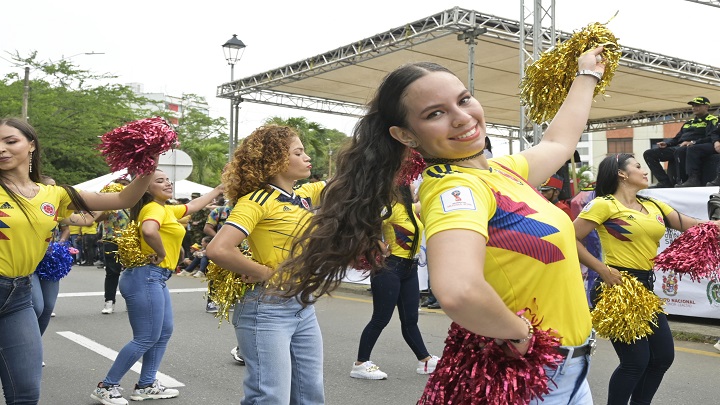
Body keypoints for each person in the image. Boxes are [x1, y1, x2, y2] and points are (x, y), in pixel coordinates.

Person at [276, 47, 606, 404]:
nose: (462, 117)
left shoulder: (500, 171)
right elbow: (457, 289)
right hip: (530, 378)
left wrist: (587, 74)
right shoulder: (455, 186)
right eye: (436, 113)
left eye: (464, 100)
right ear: (406, 135)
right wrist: (518, 332)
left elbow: (558, 141)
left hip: (567, 371)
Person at [0, 117, 156, 405]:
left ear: (31, 145)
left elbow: (121, 199)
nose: (2, 149)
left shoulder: (55, 194)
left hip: (19, 296)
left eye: (11, 141)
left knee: (25, 393)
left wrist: (147, 165)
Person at [573, 153, 717, 404]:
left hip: (645, 289)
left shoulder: (655, 205)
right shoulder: (604, 204)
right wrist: (603, 270)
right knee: (634, 362)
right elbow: (570, 237)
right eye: (638, 166)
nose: (645, 170)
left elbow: (694, 225)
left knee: (662, 357)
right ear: (621, 173)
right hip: (617, 288)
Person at [206, 125, 325, 405]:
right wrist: (267, 274)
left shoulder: (304, 196)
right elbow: (219, 248)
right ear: (275, 160)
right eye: (298, 152)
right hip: (267, 308)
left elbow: (352, 180)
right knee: (270, 398)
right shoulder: (256, 200)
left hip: (304, 305)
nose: (307, 157)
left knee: (310, 396)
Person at [91, 170, 223, 405]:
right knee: (145, 337)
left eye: (168, 180)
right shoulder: (152, 208)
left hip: (155, 277)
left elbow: (192, 206)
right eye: (159, 180)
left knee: (162, 332)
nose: (167, 183)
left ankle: (146, 384)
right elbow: (149, 231)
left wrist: (218, 190)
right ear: (146, 188)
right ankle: (107, 386)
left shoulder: (165, 208)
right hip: (146, 276)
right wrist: (162, 253)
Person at [351, 184, 440, 380]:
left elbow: (426, 202)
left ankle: (424, 361)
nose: (414, 188)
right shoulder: (390, 207)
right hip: (390, 268)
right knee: (381, 318)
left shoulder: (410, 210)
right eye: (411, 184)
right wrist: (380, 245)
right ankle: (360, 364)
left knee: (410, 320)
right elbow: (364, 224)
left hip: (410, 269)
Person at [643, 96, 718, 188]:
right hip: (678, 147)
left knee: (681, 150)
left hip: (693, 147)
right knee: (649, 154)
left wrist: (693, 142)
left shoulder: (712, 120)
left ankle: (685, 181)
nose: (694, 108)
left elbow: (712, 137)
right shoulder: (688, 122)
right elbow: (677, 138)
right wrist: (667, 143)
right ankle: (665, 182)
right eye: (693, 106)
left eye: (697, 105)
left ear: (707, 107)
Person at [94, 182, 131, 315]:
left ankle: (130, 301)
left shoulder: (132, 205)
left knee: (131, 272)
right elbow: (95, 218)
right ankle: (109, 301)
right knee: (112, 272)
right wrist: (106, 203)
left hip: (130, 241)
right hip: (111, 240)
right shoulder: (109, 206)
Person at [678, 121, 720, 187]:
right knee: (693, 149)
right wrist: (716, 141)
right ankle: (693, 179)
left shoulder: (711, 119)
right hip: (716, 143)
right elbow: (715, 132)